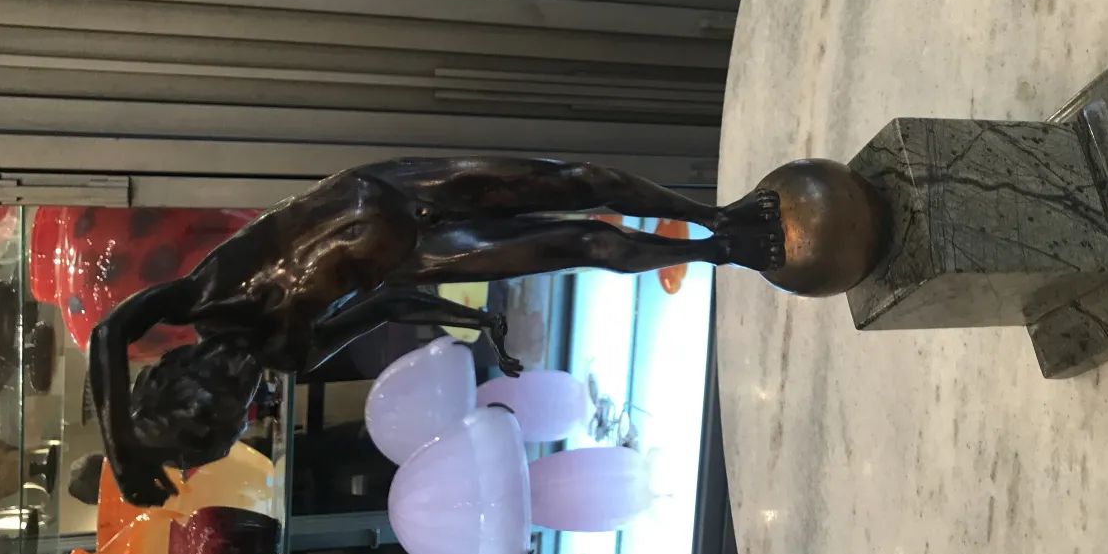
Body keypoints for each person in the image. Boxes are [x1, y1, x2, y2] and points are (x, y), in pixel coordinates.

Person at [92, 156, 783, 506]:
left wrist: (124, 449)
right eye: (234, 404)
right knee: (591, 245)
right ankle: (726, 247)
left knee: (584, 181)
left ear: (177, 369)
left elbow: (108, 334)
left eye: (213, 385)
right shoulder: (291, 352)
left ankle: (721, 215)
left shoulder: (204, 296)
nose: (237, 382)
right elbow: (389, 308)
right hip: (416, 253)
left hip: (398, 188)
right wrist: (474, 319)